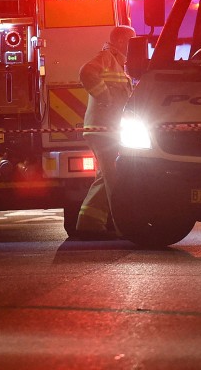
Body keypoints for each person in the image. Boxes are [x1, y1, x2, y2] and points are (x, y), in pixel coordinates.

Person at [73, 25, 137, 240]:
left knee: (104, 177)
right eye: (131, 40)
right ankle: (125, 227)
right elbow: (86, 72)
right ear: (120, 41)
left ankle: (89, 223)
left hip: (107, 130)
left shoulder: (118, 63)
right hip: (103, 131)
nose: (134, 45)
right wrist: (106, 98)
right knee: (115, 179)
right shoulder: (107, 57)